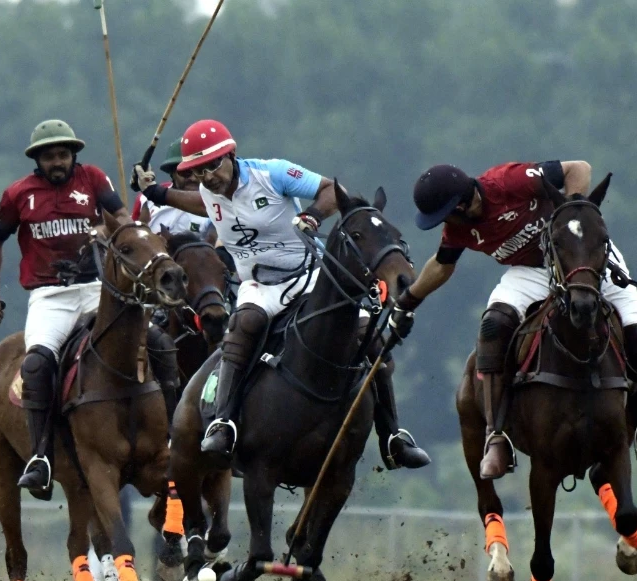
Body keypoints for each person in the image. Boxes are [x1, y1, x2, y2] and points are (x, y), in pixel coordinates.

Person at [131, 119, 430, 469]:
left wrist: (314, 216)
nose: (208, 175)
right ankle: (224, 421)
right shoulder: (209, 192)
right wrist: (153, 192)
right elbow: (198, 203)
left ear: (231, 154)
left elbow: (333, 189)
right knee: (244, 325)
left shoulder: (271, 173)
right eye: (198, 170)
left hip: (308, 274)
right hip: (260, 285)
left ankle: (392, 435)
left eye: (213, 164)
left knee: (368, 337)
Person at [389, 161, 637, 480]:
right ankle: (497, 437)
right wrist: (407, 300)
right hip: (531, 269)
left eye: (449, 212)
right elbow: (441, 266)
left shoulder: (509, 181)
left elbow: (578, 168)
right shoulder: (458, 227)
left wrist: (574, 215)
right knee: (493, 325)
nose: (448, 221)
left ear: (467, 198)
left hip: (581, 256)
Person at [0, 119, 132, 496]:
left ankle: (162, 435)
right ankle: (41, 457)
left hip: (97, 289)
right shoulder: (18, 195)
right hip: (50, 297)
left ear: (73, 155)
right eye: (49, 156)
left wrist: (111, 231)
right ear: (38, 160)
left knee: (155, 341)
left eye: (63, 154)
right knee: (36, 364)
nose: (57, 162)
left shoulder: (94, 180)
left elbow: (125, 221)